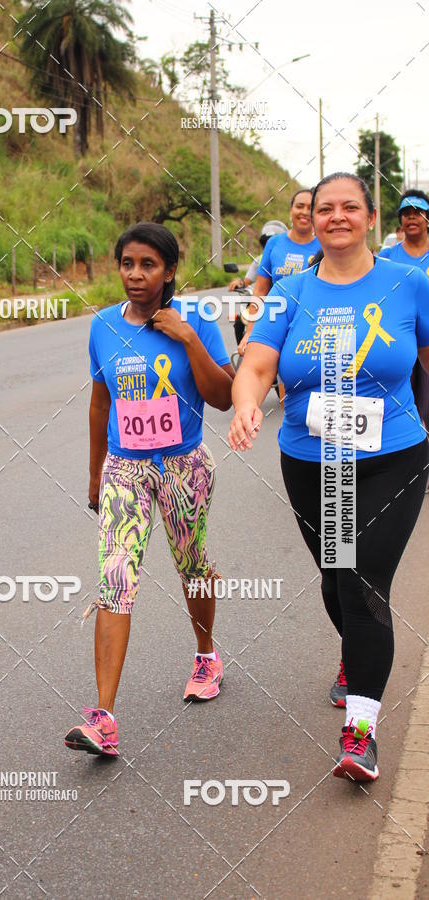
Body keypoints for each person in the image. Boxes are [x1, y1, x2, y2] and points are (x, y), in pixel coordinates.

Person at [228, 172, 429, 782]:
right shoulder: (289, 292)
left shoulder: (409, 284)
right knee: (337, 581)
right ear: (311, 219)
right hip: (314, 462)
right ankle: (357, 654)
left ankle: (360, 735)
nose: (336, 216)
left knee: (365, 583)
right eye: (324, 209)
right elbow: (256, 365)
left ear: (370, 217)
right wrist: (245, 404)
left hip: (393, 457)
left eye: (349, 207)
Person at [64, 222, 234, 757]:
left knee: (193, 567)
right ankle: (103, 718)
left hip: (184, 466)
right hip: (125, 470)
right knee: (115, 579)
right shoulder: (103, 327)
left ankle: (205, 655)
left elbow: (224, 397)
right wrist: (95, 474)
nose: (135, 275)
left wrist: (187, 338)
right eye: (127, 264)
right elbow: (100, 404)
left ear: (170, 271)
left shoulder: (197, 320)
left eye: (148, 265)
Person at [237, 189, 321, 358]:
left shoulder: (324, 244)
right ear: (291, 210)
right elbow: (261, 290)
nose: (304, 212)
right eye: (300, 206)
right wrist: (250, 332)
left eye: (310, 207)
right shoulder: (274, 243)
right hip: (276, 324)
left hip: (311, 327)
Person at [379, 190, 429, 430]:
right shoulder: (387, 257)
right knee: (401, 412)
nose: (411, 217)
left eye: (418, 212)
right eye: (406, 213)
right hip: (399, 342)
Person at [228, 220, 288, 293]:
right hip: (264, 297)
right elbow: (246, 281)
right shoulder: (260, 260)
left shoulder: (291, 259)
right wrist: (239, 282)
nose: (270, 247)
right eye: (267, 244)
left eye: (274, 244)